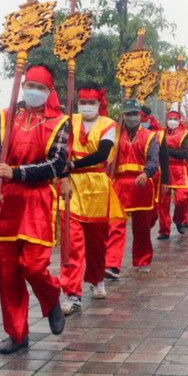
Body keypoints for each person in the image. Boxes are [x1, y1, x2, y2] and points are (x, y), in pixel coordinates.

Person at [0, 64, 68, 354]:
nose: (34, 92)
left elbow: (56, 164)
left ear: (49, 92)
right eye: (30, 85)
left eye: (41, 88)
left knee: (32, 265)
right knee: (7, 272)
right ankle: (17, 333)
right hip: (5, 198)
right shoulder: (5, 117)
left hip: (38, 198)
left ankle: (52, 297)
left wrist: (16, 173)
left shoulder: (60, 122)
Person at [58, 84, 123, 314]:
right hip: (71, 186)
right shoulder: (67, 120)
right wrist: (65, 170)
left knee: (97, 243)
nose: (86, 107)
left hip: (97, 187)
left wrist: (73, 164)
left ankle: (96, 279)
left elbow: (103, 153)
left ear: (99, 104)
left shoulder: (109, 125)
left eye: (91, 103)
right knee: (71, 244)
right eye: (82, 102)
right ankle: (71, 293)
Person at [105, 99, 160, 274]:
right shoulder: (114, 135)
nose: (131, 117)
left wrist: (146, 173)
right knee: (116, 225)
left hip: (141, 185)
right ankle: (112, 264)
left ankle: (142, 260)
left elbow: (153, 160)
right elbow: (108, 160)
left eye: (134, 114)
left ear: (140, 115)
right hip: (120, 185)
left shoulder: (149, 136)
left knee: (142, 226)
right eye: (128, 114)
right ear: (123, 115)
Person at [159, 111, 188, 237]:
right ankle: (164, 230)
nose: (172, 121)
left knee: (182, 198)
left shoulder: (184, 134)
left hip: (179, 169)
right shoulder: (159, 134)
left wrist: (165, 150)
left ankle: (178, 219)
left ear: (179, 121)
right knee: (163, 202)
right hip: (163, 169)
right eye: (170, 118)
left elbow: (184, 153)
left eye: (174, 119)